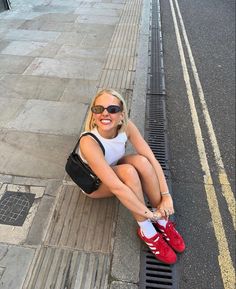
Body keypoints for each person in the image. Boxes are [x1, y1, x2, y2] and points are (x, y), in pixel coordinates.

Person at [78, 88, 185, 264]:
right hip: (94, 184)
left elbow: (151, 159)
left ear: (122, 114)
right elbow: (117, 187)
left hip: (112, 169)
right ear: (93, 114)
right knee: (129, 172)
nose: (105, 114)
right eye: (99, 109)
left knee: (143, 162)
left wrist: (166, 197)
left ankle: (163, 220)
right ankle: (147, 230)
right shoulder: (88, 142)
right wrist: (148, 215)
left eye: (112, 109)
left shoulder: (126, 127)